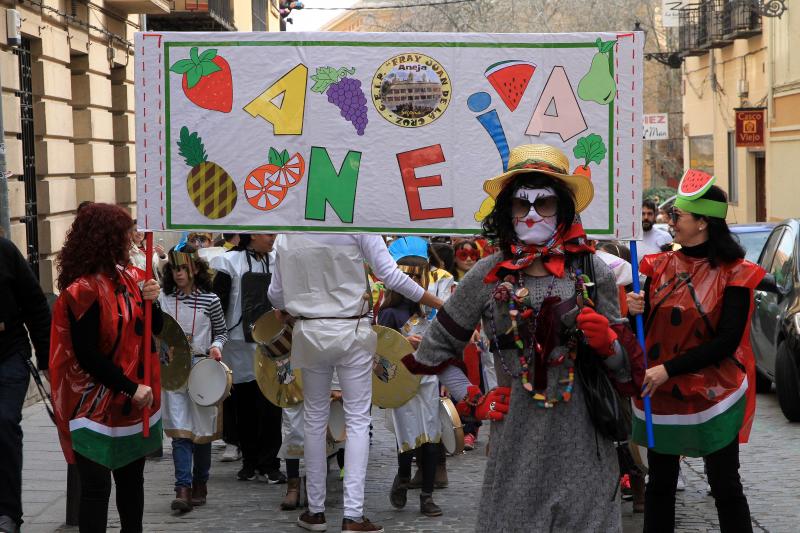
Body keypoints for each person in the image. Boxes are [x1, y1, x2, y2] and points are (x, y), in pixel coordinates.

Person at [409, 144, 644, 532]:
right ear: (507, 210)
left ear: (564, 208)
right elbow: (434, 349)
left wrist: (610, 344)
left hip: (585, 446)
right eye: (521, 204)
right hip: (516, 448)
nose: (532, 214)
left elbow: (627, 375)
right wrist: (473, 398)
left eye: (545, 202)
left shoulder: (592, 271)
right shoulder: (488, 274)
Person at [268, 233, 444, 533]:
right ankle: (353, 515)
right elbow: (391, 276)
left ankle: (315, 512)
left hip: (310, 330)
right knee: (358, 420)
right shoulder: (358, 221)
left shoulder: (287, 231)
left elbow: (276, 296)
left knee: (314, 418)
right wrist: (441, 303)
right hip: (350, 328)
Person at [627, 177, 764, 533]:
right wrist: (632, 308)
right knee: (660, 484)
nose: (670, 220)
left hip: (714, 395)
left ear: (702, 221)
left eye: (677, 214)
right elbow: (640, 327)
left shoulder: (736, 273)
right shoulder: (654, 267)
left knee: (725, 485)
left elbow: (727, 341)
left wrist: (668, 369)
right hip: (663, 393)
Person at [49, 203, 163, 532]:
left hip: (129, 403)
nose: (133, 238)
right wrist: (130, 386)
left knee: (131, 484)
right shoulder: (81, 291)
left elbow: (151, 330)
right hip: (90, 404)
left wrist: (152, 301)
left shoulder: (133, 278)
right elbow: (86, 354)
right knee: (97, 489)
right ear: (107, 237)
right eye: (126, 232)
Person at [381, 237, 449, 518]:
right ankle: (403, 475)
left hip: (429, 378)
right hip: (402, 379)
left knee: (432, 436)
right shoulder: (388, 312)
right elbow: (380, 350)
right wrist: (403, 342)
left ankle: (427, 495)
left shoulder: (431, 311)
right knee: (407, 434)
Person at [159, 242, 228, 512]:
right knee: (180, 431)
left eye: (184, 268)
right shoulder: (163, 300)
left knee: (201, 432)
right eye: (174, 269)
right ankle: (182, 488)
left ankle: (200, 483)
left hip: (202, 368)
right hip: (174, 368)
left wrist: (216, 347)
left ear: (195, 269)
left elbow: (221, 332)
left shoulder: (210, 300)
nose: (178, 274)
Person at [210, 234, 285, 483]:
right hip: (239, 344)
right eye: (268, 234)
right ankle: (250, 460)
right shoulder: (229, 261)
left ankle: (270, 462)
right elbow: (218, 301)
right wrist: (216, 338)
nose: (273, 238)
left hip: (274, 341)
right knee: (244, 403)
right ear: (252, 234)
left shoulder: (279, 259)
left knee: (272, 403)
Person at [0, 237, 51, 533]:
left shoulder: (5, 252)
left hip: (9, 354)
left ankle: (8, 514)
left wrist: (46, 361)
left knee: (4, 421)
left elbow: (36, 305)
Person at [638, 199, 672, 263]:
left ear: (655, 215)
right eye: (643, 214)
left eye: (649, 214)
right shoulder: (630, 239)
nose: (646, 217)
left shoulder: (665, 237)